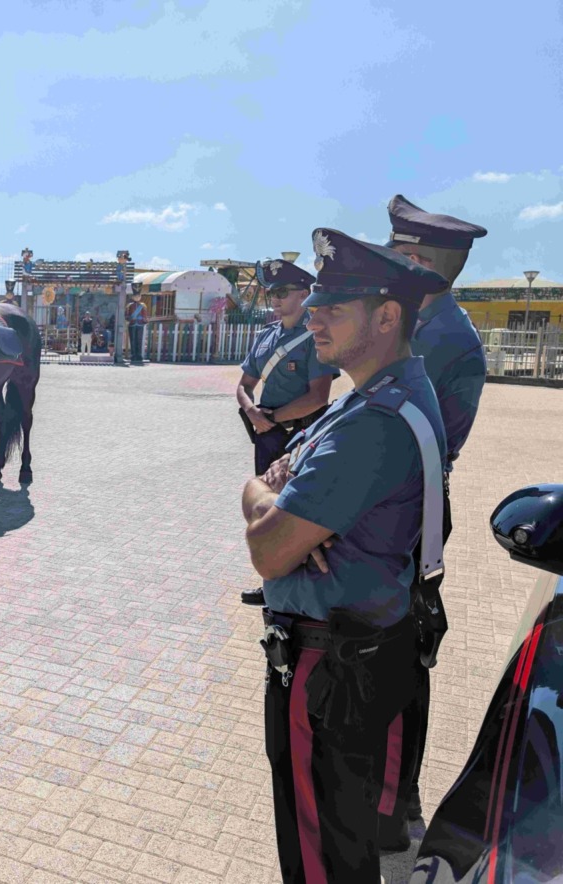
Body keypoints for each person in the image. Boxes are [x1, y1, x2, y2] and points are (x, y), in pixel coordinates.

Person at [243, 228, 448, 883]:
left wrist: (264, 494)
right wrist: (274, 492)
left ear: (386, 316)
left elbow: (269, 549)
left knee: (320, 858)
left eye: (333, 308)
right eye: (313, 305)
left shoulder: (370, 423)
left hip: (325, 668)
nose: (312, 319)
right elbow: (270, 487)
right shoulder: (375, 397)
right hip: (353, 651)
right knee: (341, 843)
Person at [377, 194, 489, 849]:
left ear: (418, 262)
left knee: (398, 656)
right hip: (392, 501)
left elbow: (420, 446)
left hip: (406, 509)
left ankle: (397, 808)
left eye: (396, 252)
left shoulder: (448, 340)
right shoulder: (419, 321)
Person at [237, 259, 340, 606]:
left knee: (298, 513)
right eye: (272, 293)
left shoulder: (315, 336)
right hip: (267, 435)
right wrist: (252, 411)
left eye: (282, 292)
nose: (275, 299)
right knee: (265, 508)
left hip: (301, 436)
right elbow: (244, 385)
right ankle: (272, 584)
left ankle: (301, 589)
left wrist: (273, 417)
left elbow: (318, 396)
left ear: (303, 294)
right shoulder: (266, 336)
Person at [126, 296, 148, 364]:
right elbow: (126, 315)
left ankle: (139, 354)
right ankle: (133, 354)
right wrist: (130, 318)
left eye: (138, 295)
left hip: (140, 324)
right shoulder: (129, 305)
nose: (137, 297)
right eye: (135, 295)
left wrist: (144, 319)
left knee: (139, 340)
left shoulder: (142, 305)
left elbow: (145, 315)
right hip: (132, 324)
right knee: (132, 340)